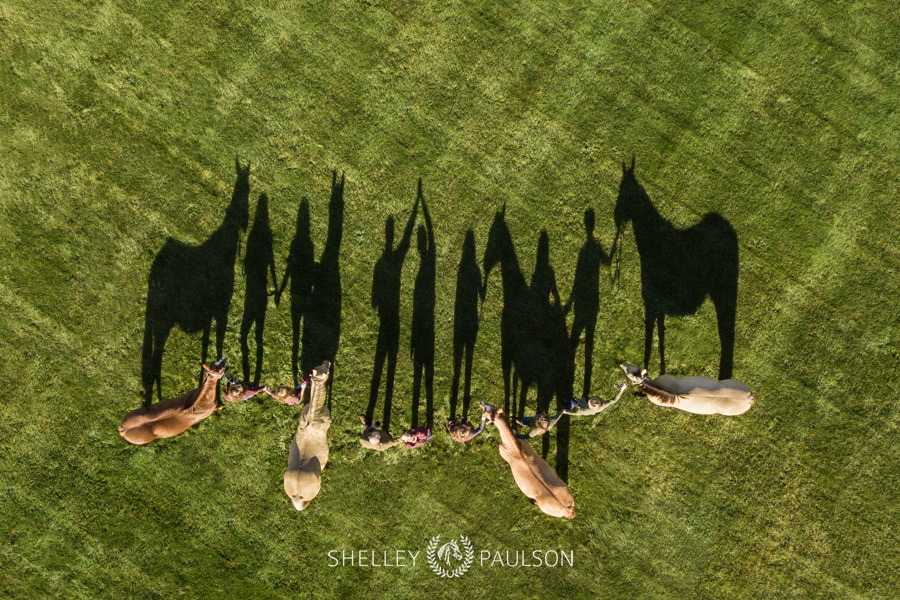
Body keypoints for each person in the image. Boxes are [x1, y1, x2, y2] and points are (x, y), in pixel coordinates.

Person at [481, 403, 574, 519]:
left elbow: (542, 502)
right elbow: (540, 503)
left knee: (515, 443)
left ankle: (499, 419)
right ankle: (499, 419)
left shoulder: (562, 505)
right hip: (543, 489)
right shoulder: (559, 507)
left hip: (528, 459)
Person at [564, 381, 628, 417]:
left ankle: (567, 403)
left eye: (590, 400)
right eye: (591, 399)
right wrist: (622, 389)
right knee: (584, 399)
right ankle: (581, 399)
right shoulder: (603, 404)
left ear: (589, 406)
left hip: (582, 404)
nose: (590, 399)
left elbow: (576, 413)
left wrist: (567, 412)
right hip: (592, 407)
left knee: (574, 401)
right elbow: (614, 400)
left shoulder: (585, 410)